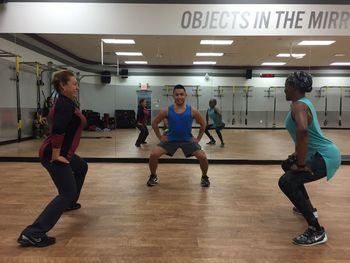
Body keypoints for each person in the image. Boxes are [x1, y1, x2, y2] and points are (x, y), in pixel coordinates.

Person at [17, 70, 88, 247]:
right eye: (74, 84)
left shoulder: (66, 102)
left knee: (81, 167)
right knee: (67, 192)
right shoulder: (64, 104)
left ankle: (69, 204)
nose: (76, 87)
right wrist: (56, 154)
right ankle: (33, 233)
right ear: (63, 86)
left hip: (64, 153)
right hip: (54, 154)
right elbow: (58, 130)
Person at [278, 71, 341, 246]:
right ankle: (307, 207)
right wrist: (297, 155)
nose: (284, 90)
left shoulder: (298, 105)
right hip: (320, 152)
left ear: (294, 87)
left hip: (325, 155)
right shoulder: (303, 103)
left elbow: (303, 131)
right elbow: (303, 135)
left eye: (286, 86)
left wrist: (301, 164)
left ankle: (316, 230)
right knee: (287, 166)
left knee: (286, 181)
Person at [147, 84, 210, 187]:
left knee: (202, 156)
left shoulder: (192, 110)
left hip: (187, 140)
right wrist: (160, 137)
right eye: (177, 95)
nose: (179, 97)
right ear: (173, 96)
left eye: (181, 94)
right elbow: (154, 123)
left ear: (185, 95)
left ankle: (204, 177)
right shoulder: (167, 110)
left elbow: (203, 124)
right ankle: (153, 176)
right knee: (154, 154)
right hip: (171, 140)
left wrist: (198, 139)